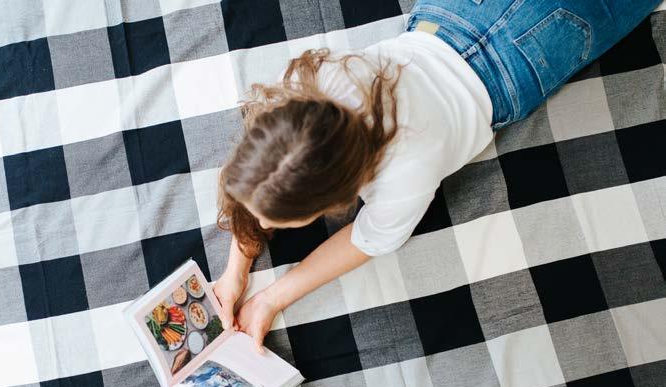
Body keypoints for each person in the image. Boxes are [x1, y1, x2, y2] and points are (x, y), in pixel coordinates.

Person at [212, 0, 662, 354]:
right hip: (454, 16)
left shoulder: (405, 176)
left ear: (339, 195)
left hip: (517, 62)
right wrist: (236, 270)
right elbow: (263, 179)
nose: (263, 226)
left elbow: (365, 242)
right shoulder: (308, 87)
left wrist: (272, 298)